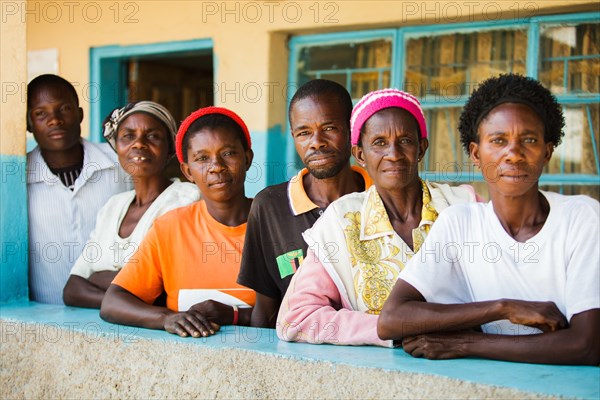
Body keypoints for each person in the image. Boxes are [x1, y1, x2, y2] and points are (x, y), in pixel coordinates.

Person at [378, 74, 600, 365]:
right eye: (498, 141)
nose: (514, 155)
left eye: (529, 140)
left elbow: (587, 345)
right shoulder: (458, 223)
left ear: (547, 151)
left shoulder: (582, 217)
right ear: (475, 153)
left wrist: (468, 342)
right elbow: (392, 320)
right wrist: (503, 308)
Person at [277, 89, 478, 346]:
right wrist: (388, 329)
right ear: (360, 154)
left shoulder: (462, 206)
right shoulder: (341, 221)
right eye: (379, 143)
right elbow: (297, 320)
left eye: (405, 140)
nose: (393, 154)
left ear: (421, 148)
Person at [100, 106, 256, 338]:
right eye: (202, 158)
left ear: (247, 158)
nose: (216, 167)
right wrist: (167, 317)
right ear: (187, 171)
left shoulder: (274, 222)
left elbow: (302, 308)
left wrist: (235, 315)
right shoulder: (170, 227)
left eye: (228, 153)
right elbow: (113, 302)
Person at [237, 79, 372, 328]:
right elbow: (267, 312)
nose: (316, 142)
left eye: (329, 128)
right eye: (304, 132)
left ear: (352, 129)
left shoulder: (380, 200)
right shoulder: (270, 207)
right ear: (293, 137)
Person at [63, 101, 200, 308]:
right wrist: (125, 300)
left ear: (170, 149)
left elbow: (162, 289)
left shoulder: (187, 199)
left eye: (153, 136)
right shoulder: (113, 206)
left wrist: (97, 279)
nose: (138, 144)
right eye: (128, 136)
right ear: (116, 147)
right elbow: (72, 289)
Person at [27, 74, 130, 305]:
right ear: (28, 124)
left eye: (64, 109)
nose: (55, 120)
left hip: (115, 309)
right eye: (40, 113)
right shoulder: (18, 179)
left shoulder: (118, 163)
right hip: (43, 313)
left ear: (80, 114)